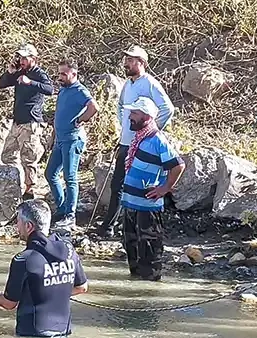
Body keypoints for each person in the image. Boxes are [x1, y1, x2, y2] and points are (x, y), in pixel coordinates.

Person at [96, 46, 176, 234]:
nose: (126, 63)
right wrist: (124, 126)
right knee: (117, 185)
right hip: (125, 142)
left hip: (141, 144)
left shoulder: (150, 83)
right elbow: (121, 106)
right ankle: (110, 226)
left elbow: (168, 109)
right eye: (126, 59)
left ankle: (131, 227)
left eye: (131, 60)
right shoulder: (127, 84)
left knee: (135, 186)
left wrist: (150, 131)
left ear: (142, 63)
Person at [0, 200, 89, 336]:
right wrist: (53, 291)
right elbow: (82, 287)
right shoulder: (68, 249)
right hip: (64, 333)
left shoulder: (23, 259)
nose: (16, 226)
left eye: (18, 221)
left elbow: (9, 304)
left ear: (29, 226)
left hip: (32, 336)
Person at [119, 97, 184, 280]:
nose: (130, 117)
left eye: (135, 113)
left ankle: (149, 296)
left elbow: (178, 165)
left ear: (147, 117)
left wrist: (165, 188)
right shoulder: (139, 137)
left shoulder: (157, 140)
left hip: (148, 207)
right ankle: (135, 289)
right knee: (131, 247)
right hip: (130, 203)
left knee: (149, 251)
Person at [0, 43, 55, 198]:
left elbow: (50, 89)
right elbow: (1, 84)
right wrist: (10, 73)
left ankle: (29, 190)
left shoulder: (38, 73)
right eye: (20, 57)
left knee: (28, 157)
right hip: (17, 121)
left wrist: (30, 82)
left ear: (33, 58)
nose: (21, 60)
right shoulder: (19, 72)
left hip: (31, 122)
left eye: (25, 58)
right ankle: (16, 182)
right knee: (7, 155)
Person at [47, 59, 98, 229]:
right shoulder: (63, 91)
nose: (60, 77)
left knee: (70, 177)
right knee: (50, 174)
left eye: (63, 74)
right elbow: (58, 115)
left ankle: (70, 215)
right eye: (59, 73)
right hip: (60, 140)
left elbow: (93, 107)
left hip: (73, 139)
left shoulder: (79, 90)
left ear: (74, 74)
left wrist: (81, 119)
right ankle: (61, 208)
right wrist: (52, 135)